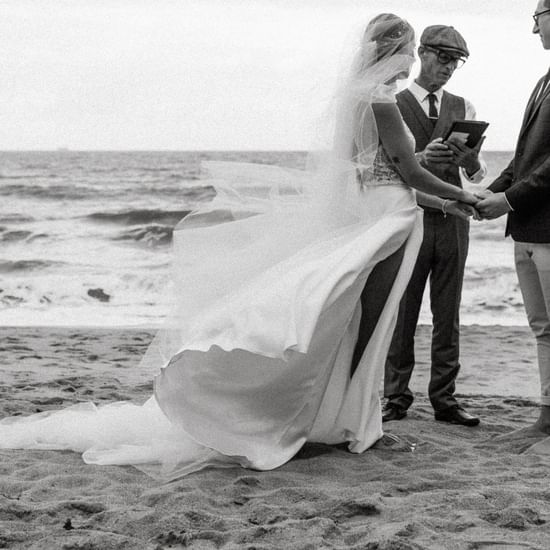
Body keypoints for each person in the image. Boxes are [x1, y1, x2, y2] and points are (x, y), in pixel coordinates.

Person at [0, 14, 478, 479]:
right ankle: (348, 422)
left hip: (386, 211)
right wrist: (466, 195)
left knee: (354, 322)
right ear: (392, 50)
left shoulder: (356, 102)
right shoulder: (381, 103)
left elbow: (378, 175)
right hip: (389, 221)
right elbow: (407, 173)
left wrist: (446, 203)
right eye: (412, 49)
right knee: (369, 325)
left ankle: (349, 419)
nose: (413, 60)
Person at [382, 24, 486, 426]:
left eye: (456, 61)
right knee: (403, 310)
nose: (448, 68)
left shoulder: (463, 106)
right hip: (409, 215)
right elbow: (393, 166)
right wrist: (421, 158)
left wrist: (470, 160)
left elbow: (476, 176)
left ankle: (445, 399)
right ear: (422, 53)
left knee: (448, 312)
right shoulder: (392, 102)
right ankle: (396, 396)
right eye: (443, 57)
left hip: (454, 220)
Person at [476, 0, 550, 447]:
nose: (534, 30)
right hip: (528, 228)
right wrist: (487, 192)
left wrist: (507, 199)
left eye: (537, 17)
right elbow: (526, 161)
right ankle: (545, 419)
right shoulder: (543, 82)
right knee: (542, 328)